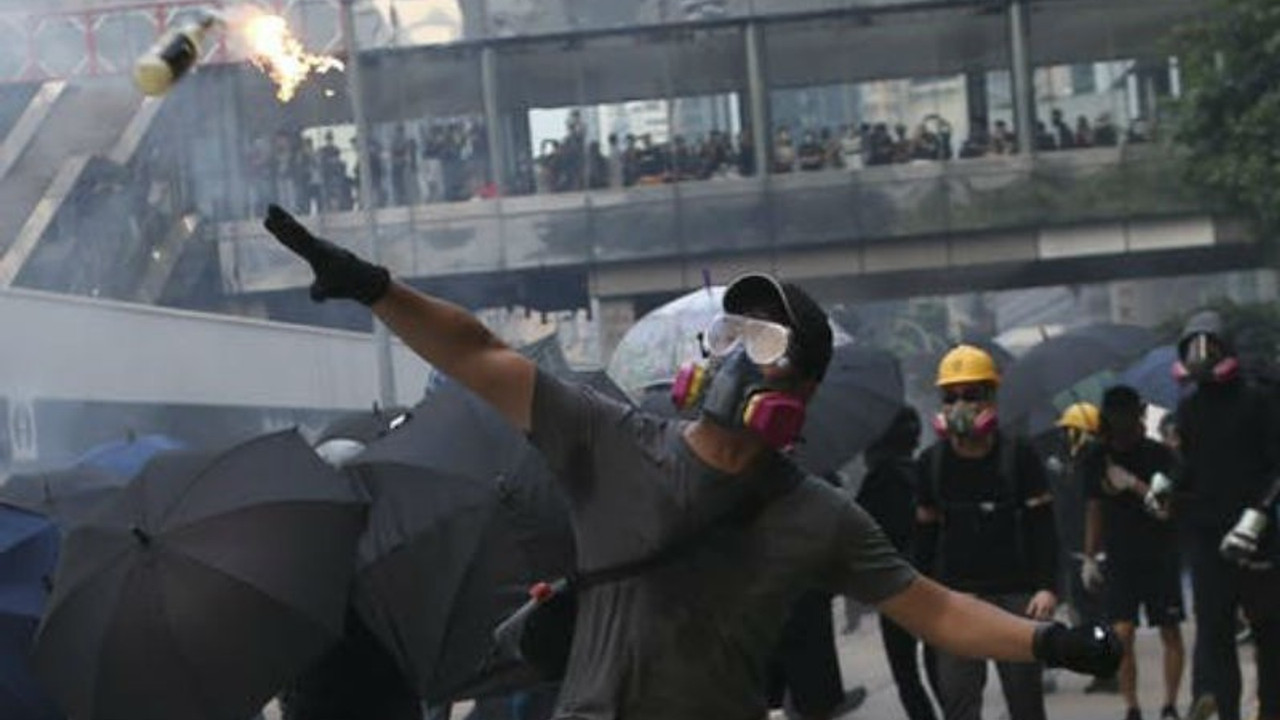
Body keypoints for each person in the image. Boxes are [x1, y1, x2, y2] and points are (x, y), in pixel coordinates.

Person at [260, 205, 1121, 720]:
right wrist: (376, 286)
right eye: (730, 335)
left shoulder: (816, 515)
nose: (738, 355)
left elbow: (934, 610)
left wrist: (1051, 640)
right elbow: (480, 354)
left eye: (765, 341)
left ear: (801, 393)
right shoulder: (609, 441)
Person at [915, 344, 1062, 720]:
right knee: (959, 704)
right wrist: (920, 601)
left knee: (1026, 702)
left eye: (971, 395)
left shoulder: (1019, 457)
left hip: (1016, 597)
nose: (960, 404)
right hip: (955, 599)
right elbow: (925, 540)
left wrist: (1047, 587)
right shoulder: (931, 465)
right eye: (951, 396)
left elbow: (1043, 527)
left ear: (992, 397)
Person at [1147, 311, 1280, 720]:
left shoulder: (1259, 399)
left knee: (1269, 635)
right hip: (1208, 537)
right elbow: (1190, 463)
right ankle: (1225, 711)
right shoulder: (1190, 408)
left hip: (1257, 535)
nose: (1201, 356)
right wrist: (1165, 482)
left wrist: (1258, 514)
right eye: (1193, 348)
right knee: (1215, 635)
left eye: (1209, 346)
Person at [1081, 386, 1185, 720]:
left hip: (1159, 552)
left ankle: (1169, 703)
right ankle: (1132, 706)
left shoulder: (1160, 455)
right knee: (1122, 633)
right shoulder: (1096, 456)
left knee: (1169, 629)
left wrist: (1134, 485)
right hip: (1119, 555)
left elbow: (1166, 509)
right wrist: (1089, 556)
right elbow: (1094, 507)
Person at [857, 406, 940, 720]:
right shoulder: (925, 470)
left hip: (894, 585)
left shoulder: (878, 480)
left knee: (905, 671)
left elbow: (862, 528)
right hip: (931, 578)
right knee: (936, 662)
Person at [1050, 402, 1118, 694]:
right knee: (1084, 613)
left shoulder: (1095, 466)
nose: (1064, 437)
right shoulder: (1072, 464)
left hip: (1094, 553)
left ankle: (1107, 671)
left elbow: (1093, 509)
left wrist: (1091, 555)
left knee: (1097, 614)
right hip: (1075, 549)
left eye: (1070, 432)